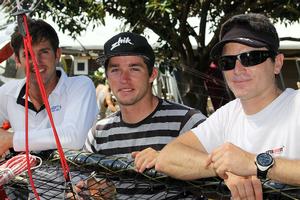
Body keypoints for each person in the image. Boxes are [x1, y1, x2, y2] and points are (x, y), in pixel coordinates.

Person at [155, 13, 300, 200]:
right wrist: (223, 168)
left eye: (250, 57)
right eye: (228, 62)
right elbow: (168, 157)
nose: (238, 70)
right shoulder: (228, 114)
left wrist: (254, 163)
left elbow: (247, 163)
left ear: (277, 63)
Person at [80, 32, 206, 198]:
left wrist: (167, 159)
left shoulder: (188, 122)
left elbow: (223, 173)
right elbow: (89, 186)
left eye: (134, 68)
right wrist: (97, 192)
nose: (124, 79)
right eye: (115, 69)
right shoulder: (98, 134)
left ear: (152, 74)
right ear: (107, 77)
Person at [0, 18, 98, 155]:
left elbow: (73, 137)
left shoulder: (80, 86)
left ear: (57, 54)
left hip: (73, 176)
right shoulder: (7, 92)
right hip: (22, 175)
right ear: (17, 60)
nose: (37, 61)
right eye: (27, 55)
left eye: (44, 52)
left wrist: (11, 139)